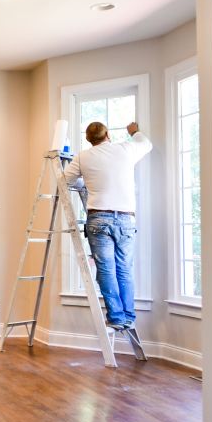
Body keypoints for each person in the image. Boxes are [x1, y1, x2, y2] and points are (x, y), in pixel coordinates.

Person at [62, 121, 152, 330]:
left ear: (88, 139)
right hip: (126, 220)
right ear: (108, 134)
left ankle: (117, 316)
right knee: (124, 269)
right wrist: (134, 131)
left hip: (99, 219)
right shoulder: (125, 148)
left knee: (106, 269)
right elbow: (146, 143)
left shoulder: (83, 156)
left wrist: (83, 184)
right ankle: (128, 316)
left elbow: (65, 180)